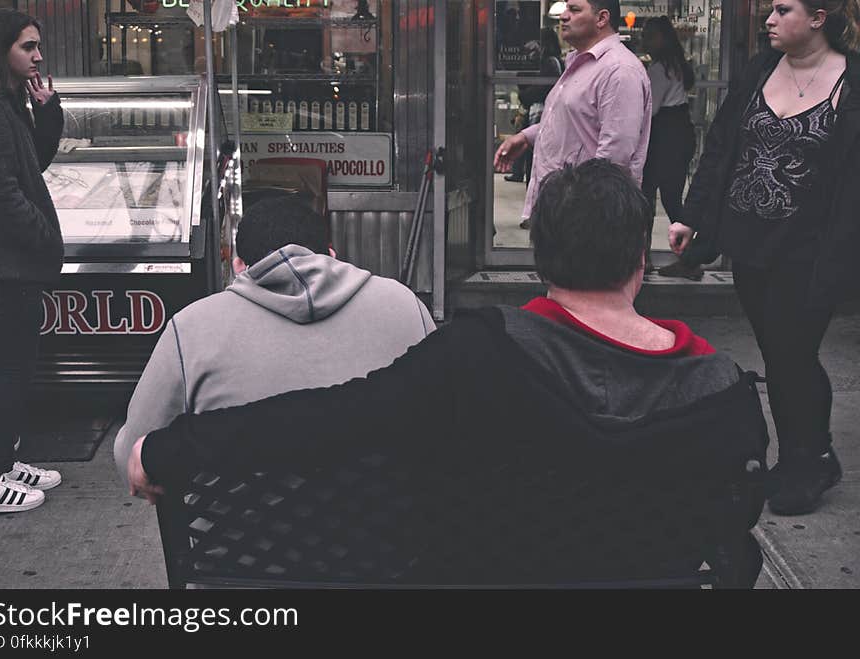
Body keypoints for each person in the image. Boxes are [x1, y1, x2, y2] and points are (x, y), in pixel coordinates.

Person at [128, 161, 767, 581]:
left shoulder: (474, 356)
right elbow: (734, 543)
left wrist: (168, 449)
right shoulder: (725, 393)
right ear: (641, 264)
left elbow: (328, 419)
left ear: (540, 263)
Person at [669, 0, 860, 514]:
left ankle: (813, 458)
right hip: (750, 243)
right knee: (778, 354)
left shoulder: (852, 81)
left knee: (795, 353)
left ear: (819, 18)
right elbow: (721, 147)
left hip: (812, 250)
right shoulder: (760, 68)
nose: (769, 19)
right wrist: (692, 216)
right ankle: (798, 456)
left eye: (782, 9)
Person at [113, 196, 435, 486]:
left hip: (232, 549)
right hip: (387, 545)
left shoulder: (190, 328)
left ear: (238, 267)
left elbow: (130, 457)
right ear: (331, 255)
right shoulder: (406, 306)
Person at [0, 9, 64, 515]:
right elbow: (1, 194)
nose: (37, 56)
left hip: (9, 262)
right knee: (10, 371)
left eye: (37, 46)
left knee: (15, 369)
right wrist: (44, 238)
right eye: (26, 47)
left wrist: (48, 110)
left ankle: (1, 463)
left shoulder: (9, 105)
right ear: (0, 52)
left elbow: (35, 162)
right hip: (3, 266)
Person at [494, 0, 651, 231]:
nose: (564, 16)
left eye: (574, 10)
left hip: (587, 218)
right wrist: (526, 137)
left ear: (602, 19)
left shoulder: (619, 71)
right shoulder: (579, 62)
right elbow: (573, 121)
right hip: (562, 212)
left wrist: (586, 216)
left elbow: (614, 158)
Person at [640, 16, 701, 280]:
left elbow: (650, 110)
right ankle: (688, 258)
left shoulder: (659, 69)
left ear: (662, 38)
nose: (644, 40)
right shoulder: (676, 64)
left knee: (649, 197)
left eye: (649, 35)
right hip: (680, 133)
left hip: (663, 136)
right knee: (671, 197)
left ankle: (646, 258)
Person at [506, 28, 564, 189]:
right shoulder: (541, 61)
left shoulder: (551, 62)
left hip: (541, 112)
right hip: (537, 113)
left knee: (536, 154)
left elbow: (542, 89)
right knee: (531, 152)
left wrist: (525, 94)